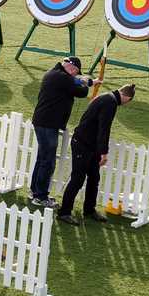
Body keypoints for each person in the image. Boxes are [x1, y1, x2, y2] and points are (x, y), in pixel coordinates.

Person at [58, 83, 136, 226]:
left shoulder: (107, 97)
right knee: (77, 179)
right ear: (127, 98)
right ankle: (64, 212)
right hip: (83, 144)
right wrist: (104, 153)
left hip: (89, 144)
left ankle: (89, 209)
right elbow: (104, 129)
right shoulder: (110, 103)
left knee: (94, 177)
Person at [29, 56, 100, 209]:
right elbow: (81, 92)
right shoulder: (62, 78)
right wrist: (87, 84)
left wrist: (87, 81)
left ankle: (35, 191)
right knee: (47, 161)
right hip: (48, 124)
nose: (75, 75)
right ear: (72, 68)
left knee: (42, 158)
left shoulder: (54, 73)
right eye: (75, 73)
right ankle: (40, 196)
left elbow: (74, 82)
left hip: (43, 122)